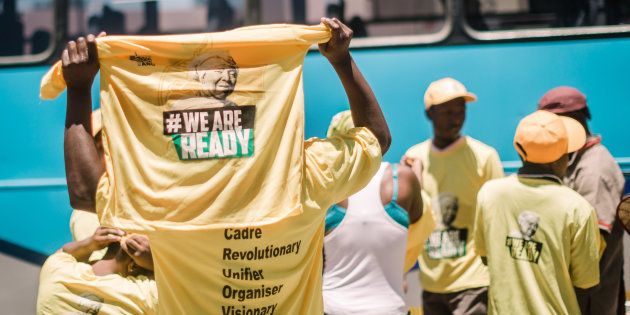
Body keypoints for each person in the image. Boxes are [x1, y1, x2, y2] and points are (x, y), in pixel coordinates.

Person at [60, 18, 391, 313]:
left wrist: (78, 89)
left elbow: (84, 193)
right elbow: (376, 137)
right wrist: (341, 60)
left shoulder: (168, 191)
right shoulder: (307, 175)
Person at [474, 110, 600, 314]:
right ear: (562, 157)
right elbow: (586, 282)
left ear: (519, 150)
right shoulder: (578, 208)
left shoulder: (489, 194)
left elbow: (484, 255)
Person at [401, 77, 503, 314]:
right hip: (431, 283)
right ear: (430, 114)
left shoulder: (484, 156)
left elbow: (497, 219)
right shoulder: (414, 158)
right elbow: (407, 221)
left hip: (473, 281)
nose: (456, 118)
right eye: (447, 111)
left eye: (460, 110)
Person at [322, 111, 425, 314]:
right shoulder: (402, 180)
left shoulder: (325, 187)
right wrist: (418, 179)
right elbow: (421, 219)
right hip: (390, 308)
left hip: (332, 307)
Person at [538, 86, 626, 315]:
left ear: (572, 122)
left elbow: (593, 244)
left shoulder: (593, 170)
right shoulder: (573, 160)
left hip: (589, 299)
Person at [36, 227, 157, 314]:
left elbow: (64, 252)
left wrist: (90, 243)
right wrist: (153, 263)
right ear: (133, 266)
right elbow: (172, 283)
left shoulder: (56, 271)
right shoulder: (145, 296)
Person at [171, 51, 238, 109]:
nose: (227, 78)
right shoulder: (183, 107)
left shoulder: (236, 109)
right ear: (201, 75)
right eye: (219, 71)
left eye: (232, 74)